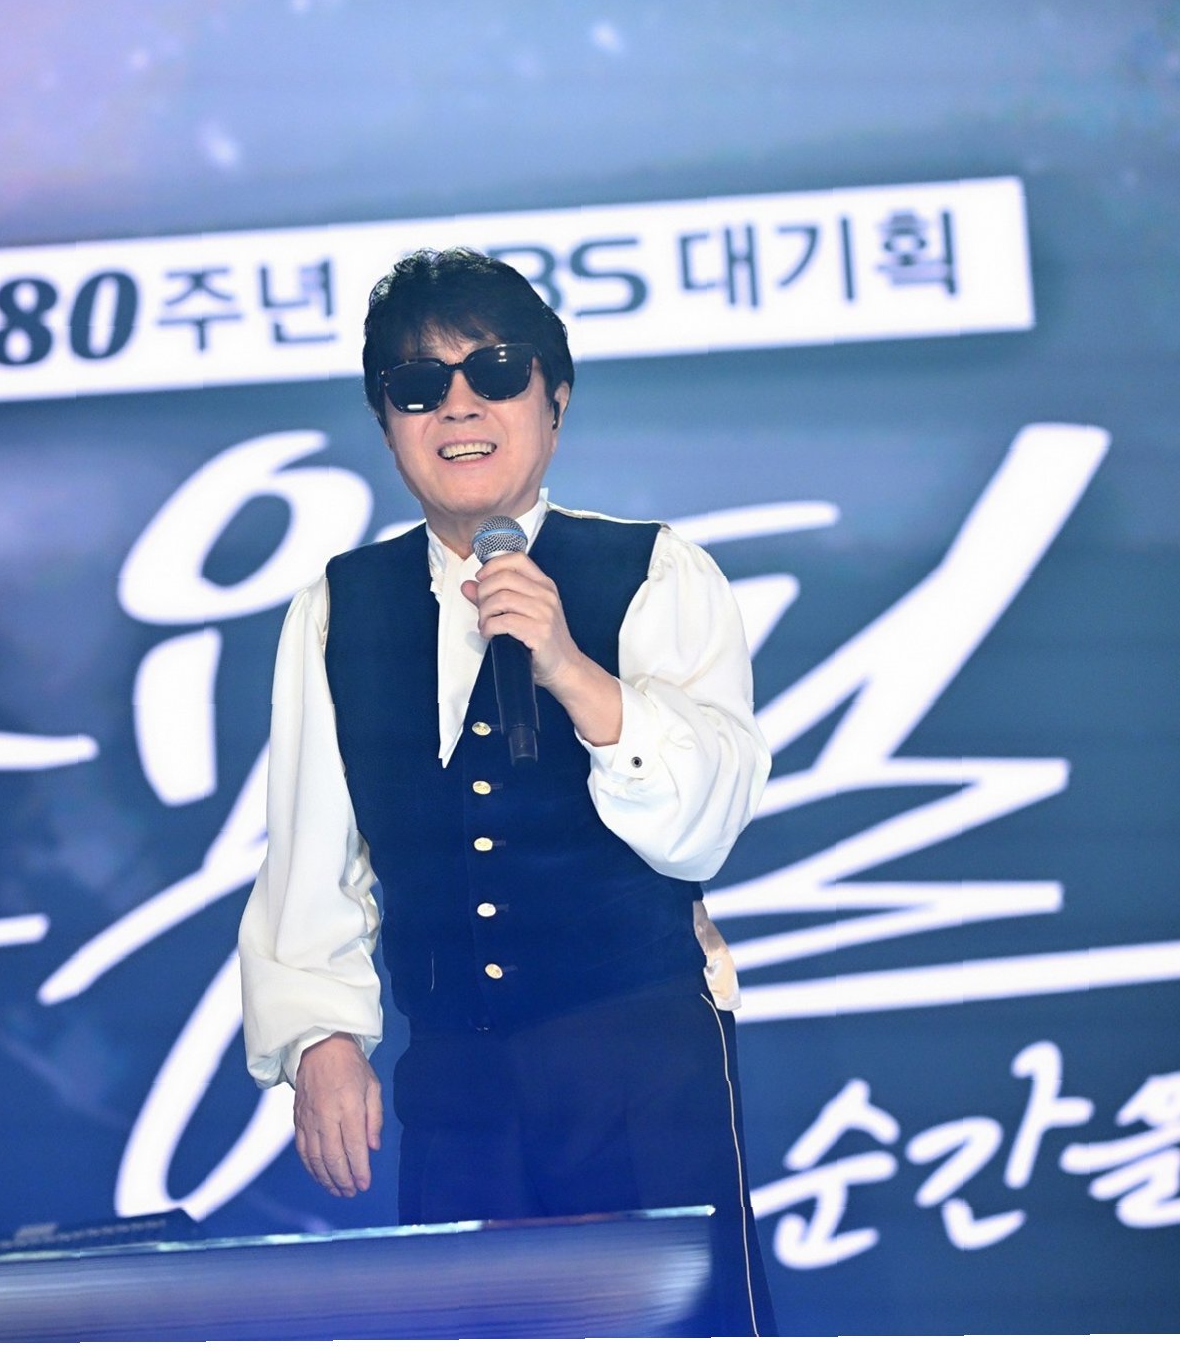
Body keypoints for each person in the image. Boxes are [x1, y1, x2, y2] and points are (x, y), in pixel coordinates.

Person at [237, 248, 776, 1334]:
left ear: (554, 400)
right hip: (457, 1085)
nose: (459, 407)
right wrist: (320, 1038)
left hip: (641, 1072)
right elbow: (312, 849)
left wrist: (571, 670)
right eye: (417, 385)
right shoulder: (338, 608)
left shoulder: (657, 572)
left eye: (494, 372)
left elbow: (705, 827)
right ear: (386, 423)